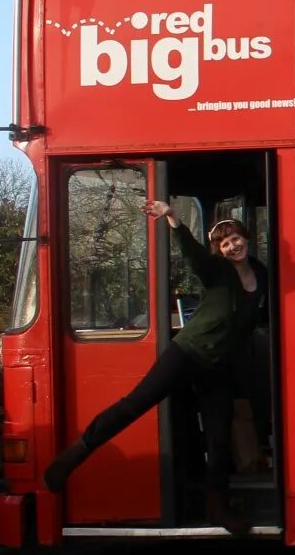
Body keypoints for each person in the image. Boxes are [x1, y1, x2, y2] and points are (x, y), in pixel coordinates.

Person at [41, 200, 266, 535]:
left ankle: (217, 506)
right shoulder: (217, 272)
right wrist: (173, 218)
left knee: (218, 437)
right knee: (136, 403)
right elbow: (192, 253)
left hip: (217, 366)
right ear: (219, 249)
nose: (233, 246)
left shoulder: (261, 274)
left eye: (236, 239)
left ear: (246, 238)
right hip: (186, 352)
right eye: (225, 242)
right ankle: (72, 456)